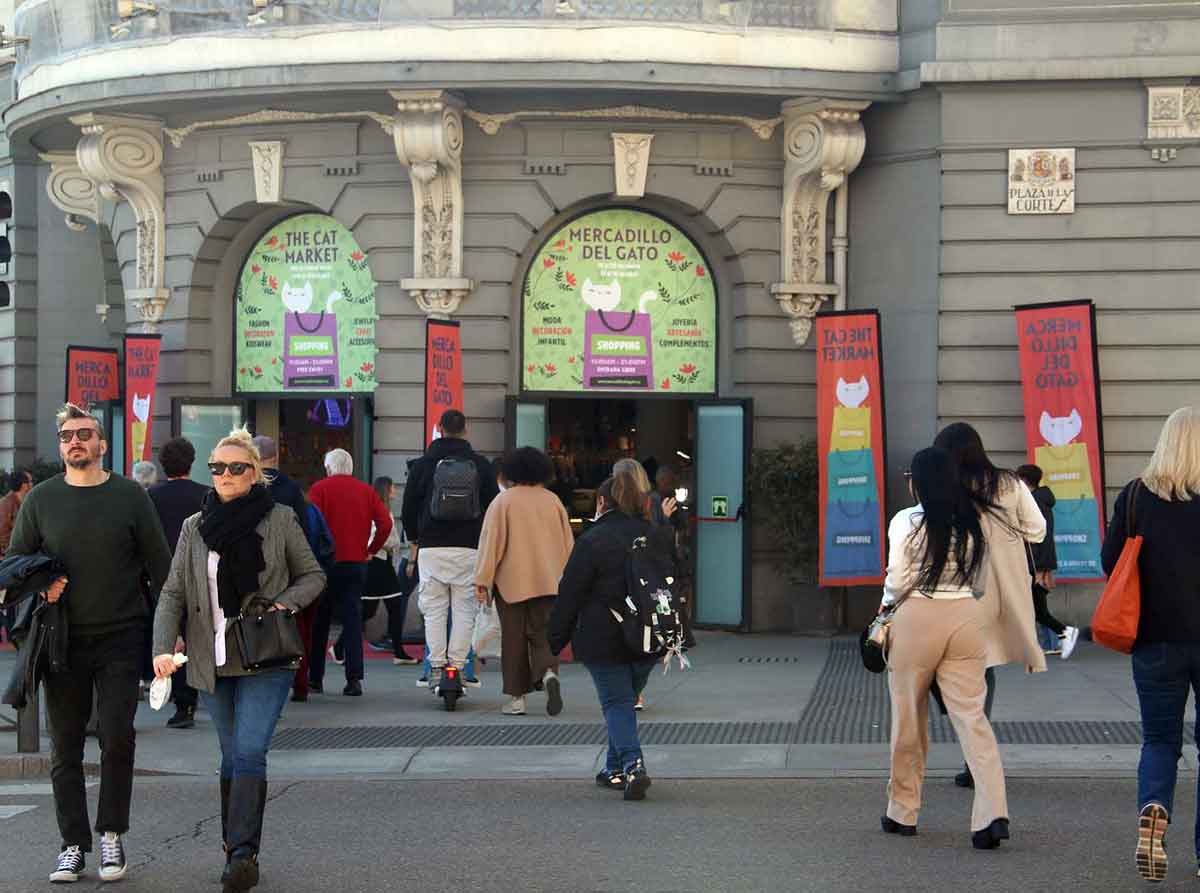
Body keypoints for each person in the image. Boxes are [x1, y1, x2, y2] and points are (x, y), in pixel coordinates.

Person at [152, 428, 325, 893]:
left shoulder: (280, 519)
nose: (225, 475)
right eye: (217, 467)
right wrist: (161, 649)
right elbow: (173, 593)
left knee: (250, 751)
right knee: (231, 756)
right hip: (212, 658)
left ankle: (243, 855)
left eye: (235, 467)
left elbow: (312, 575)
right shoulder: (195, 526)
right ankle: (234, 848)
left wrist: (283, 604)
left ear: (255, 473)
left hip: (266, 653)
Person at [8, 403, 172, 884]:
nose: (74, 441)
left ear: (102, 444)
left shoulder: (130, 497)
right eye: (66, 436)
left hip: (122, 634)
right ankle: (73, 844)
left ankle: (111, 834)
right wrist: (42, 582)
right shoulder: (41, 500)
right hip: (60, 638)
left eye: (83, 434)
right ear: (61, 446)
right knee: (65, 747)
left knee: (118, 737)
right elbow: (15, 564)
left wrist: (173, 629)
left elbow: (161, 568)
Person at [880, 447, 1010, 849]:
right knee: (973, 719)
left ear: (917, 482)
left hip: (916, 619)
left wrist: (884, 613)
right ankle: (992, 815)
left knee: (908, 719)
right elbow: (983, 583)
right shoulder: (974, 522)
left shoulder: (906, 521)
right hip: (965, 618)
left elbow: (898, 579)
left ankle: (903, 811)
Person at [1101, 407, 1200, 883]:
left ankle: (1154, 808)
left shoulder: (1137, 497)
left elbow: (1110, 562)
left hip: (1154, 638)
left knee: (1160, 739)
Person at [549, 464, 675, 801]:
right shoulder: (654, 535)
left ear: (603, 502)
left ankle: (633, 766)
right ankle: (613, 768)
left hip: (602, 635)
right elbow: (673, 583)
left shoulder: (592, 540)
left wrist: (554, 639)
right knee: (622, 701)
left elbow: (570, 592)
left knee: (617, 702)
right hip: (649, 637)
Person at [933, 422, 1047, 791]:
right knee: (985, 667)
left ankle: (972, 753)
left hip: (956, 586)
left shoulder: (947, 486)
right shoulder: (1011, 484)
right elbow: (1038, 529)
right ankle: (976, 758)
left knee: (955, 666)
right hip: (1002, 590)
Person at [401, 409, 498, 694]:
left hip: (431, 546)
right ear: (465, 430)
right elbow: (492, 506)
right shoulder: (481, 465)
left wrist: (415, 538)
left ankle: (436, 666)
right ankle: (458, 666)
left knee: (434, 610)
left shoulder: (423, 465)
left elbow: (408, 507)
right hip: (469, 547)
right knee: (465, 609)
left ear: (439, 428)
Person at [474, 447, 574, 716]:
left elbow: (490, 544)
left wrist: (482, 581)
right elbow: (568, 545)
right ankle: (549, 673)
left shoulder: (503, 502)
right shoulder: (553, 501)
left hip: (512, 585)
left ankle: (517, 698)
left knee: (514, 642)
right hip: (549, 582)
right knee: (544, 636)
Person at [307, 448, 393, 696]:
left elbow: (310, 525)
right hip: (356, 563)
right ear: (351, 468)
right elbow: (385, 523)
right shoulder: (366, 490)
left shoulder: (319, 489)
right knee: (353, 620)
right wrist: (371, 549)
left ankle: (315, 678)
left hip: (324, 564)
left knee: (319, 622)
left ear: (328, 468)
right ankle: (353, 679)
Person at [148, 437, 210, 729]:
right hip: (200, 575)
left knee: (170, 635)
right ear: (192, 461)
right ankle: (197, 695)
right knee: (198, 633)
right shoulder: (206, 495)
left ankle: (181, 702)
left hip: (163, 577)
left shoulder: (152, 497)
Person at [1015, 463, 1080, 660]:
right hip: (1037, 562)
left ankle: (1064, 632)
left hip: (1035, 563)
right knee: (1037, 609)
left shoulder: (1035, 503)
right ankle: (1058, 636)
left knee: (1037, 610)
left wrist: (1041, 568)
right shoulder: (1038, 501)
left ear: (1025, 481)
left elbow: (1040, 536)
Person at [363, 476, 419, 665]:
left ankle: (399, 651)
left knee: (378, 609)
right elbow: (374, 537)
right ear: (386, 490)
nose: (395, 490)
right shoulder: (379, 511)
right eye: (393, 487)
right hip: (378, 564)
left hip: (381, 564)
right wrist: (391, 544)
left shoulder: (379, 509)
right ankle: (399, 652)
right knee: (374, 609)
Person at [0, 468, 33, 644]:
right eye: (29, 481)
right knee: (7, 598)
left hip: (20, 559)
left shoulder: (25, 502)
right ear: (22, 485)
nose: (31, 484)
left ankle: (15, 629)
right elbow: (2, 533)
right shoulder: (6, 504)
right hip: (8, 559)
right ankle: (11, 631)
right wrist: (8, 555)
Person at [252, 435, 306, 519]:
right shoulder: (292, 486)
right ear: (276, 457)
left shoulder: (245, 485)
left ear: (252, 458)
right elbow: (303, 522)